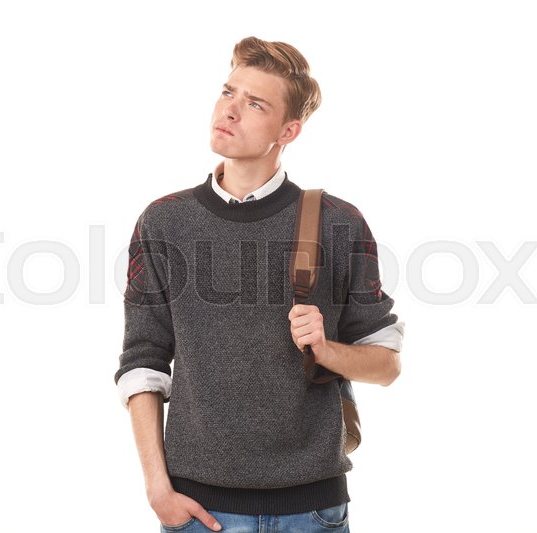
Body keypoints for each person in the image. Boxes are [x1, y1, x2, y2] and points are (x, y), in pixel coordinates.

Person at [114, 36, 405, 532]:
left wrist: (326, 350)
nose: (229, 110)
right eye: (228, 92)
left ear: (288, 130)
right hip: (199, 510)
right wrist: (158, 489)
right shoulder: (163, 222)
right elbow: (143, 360)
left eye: (255, 104)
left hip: (312, 511)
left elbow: (387, 366)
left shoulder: (338, 223)